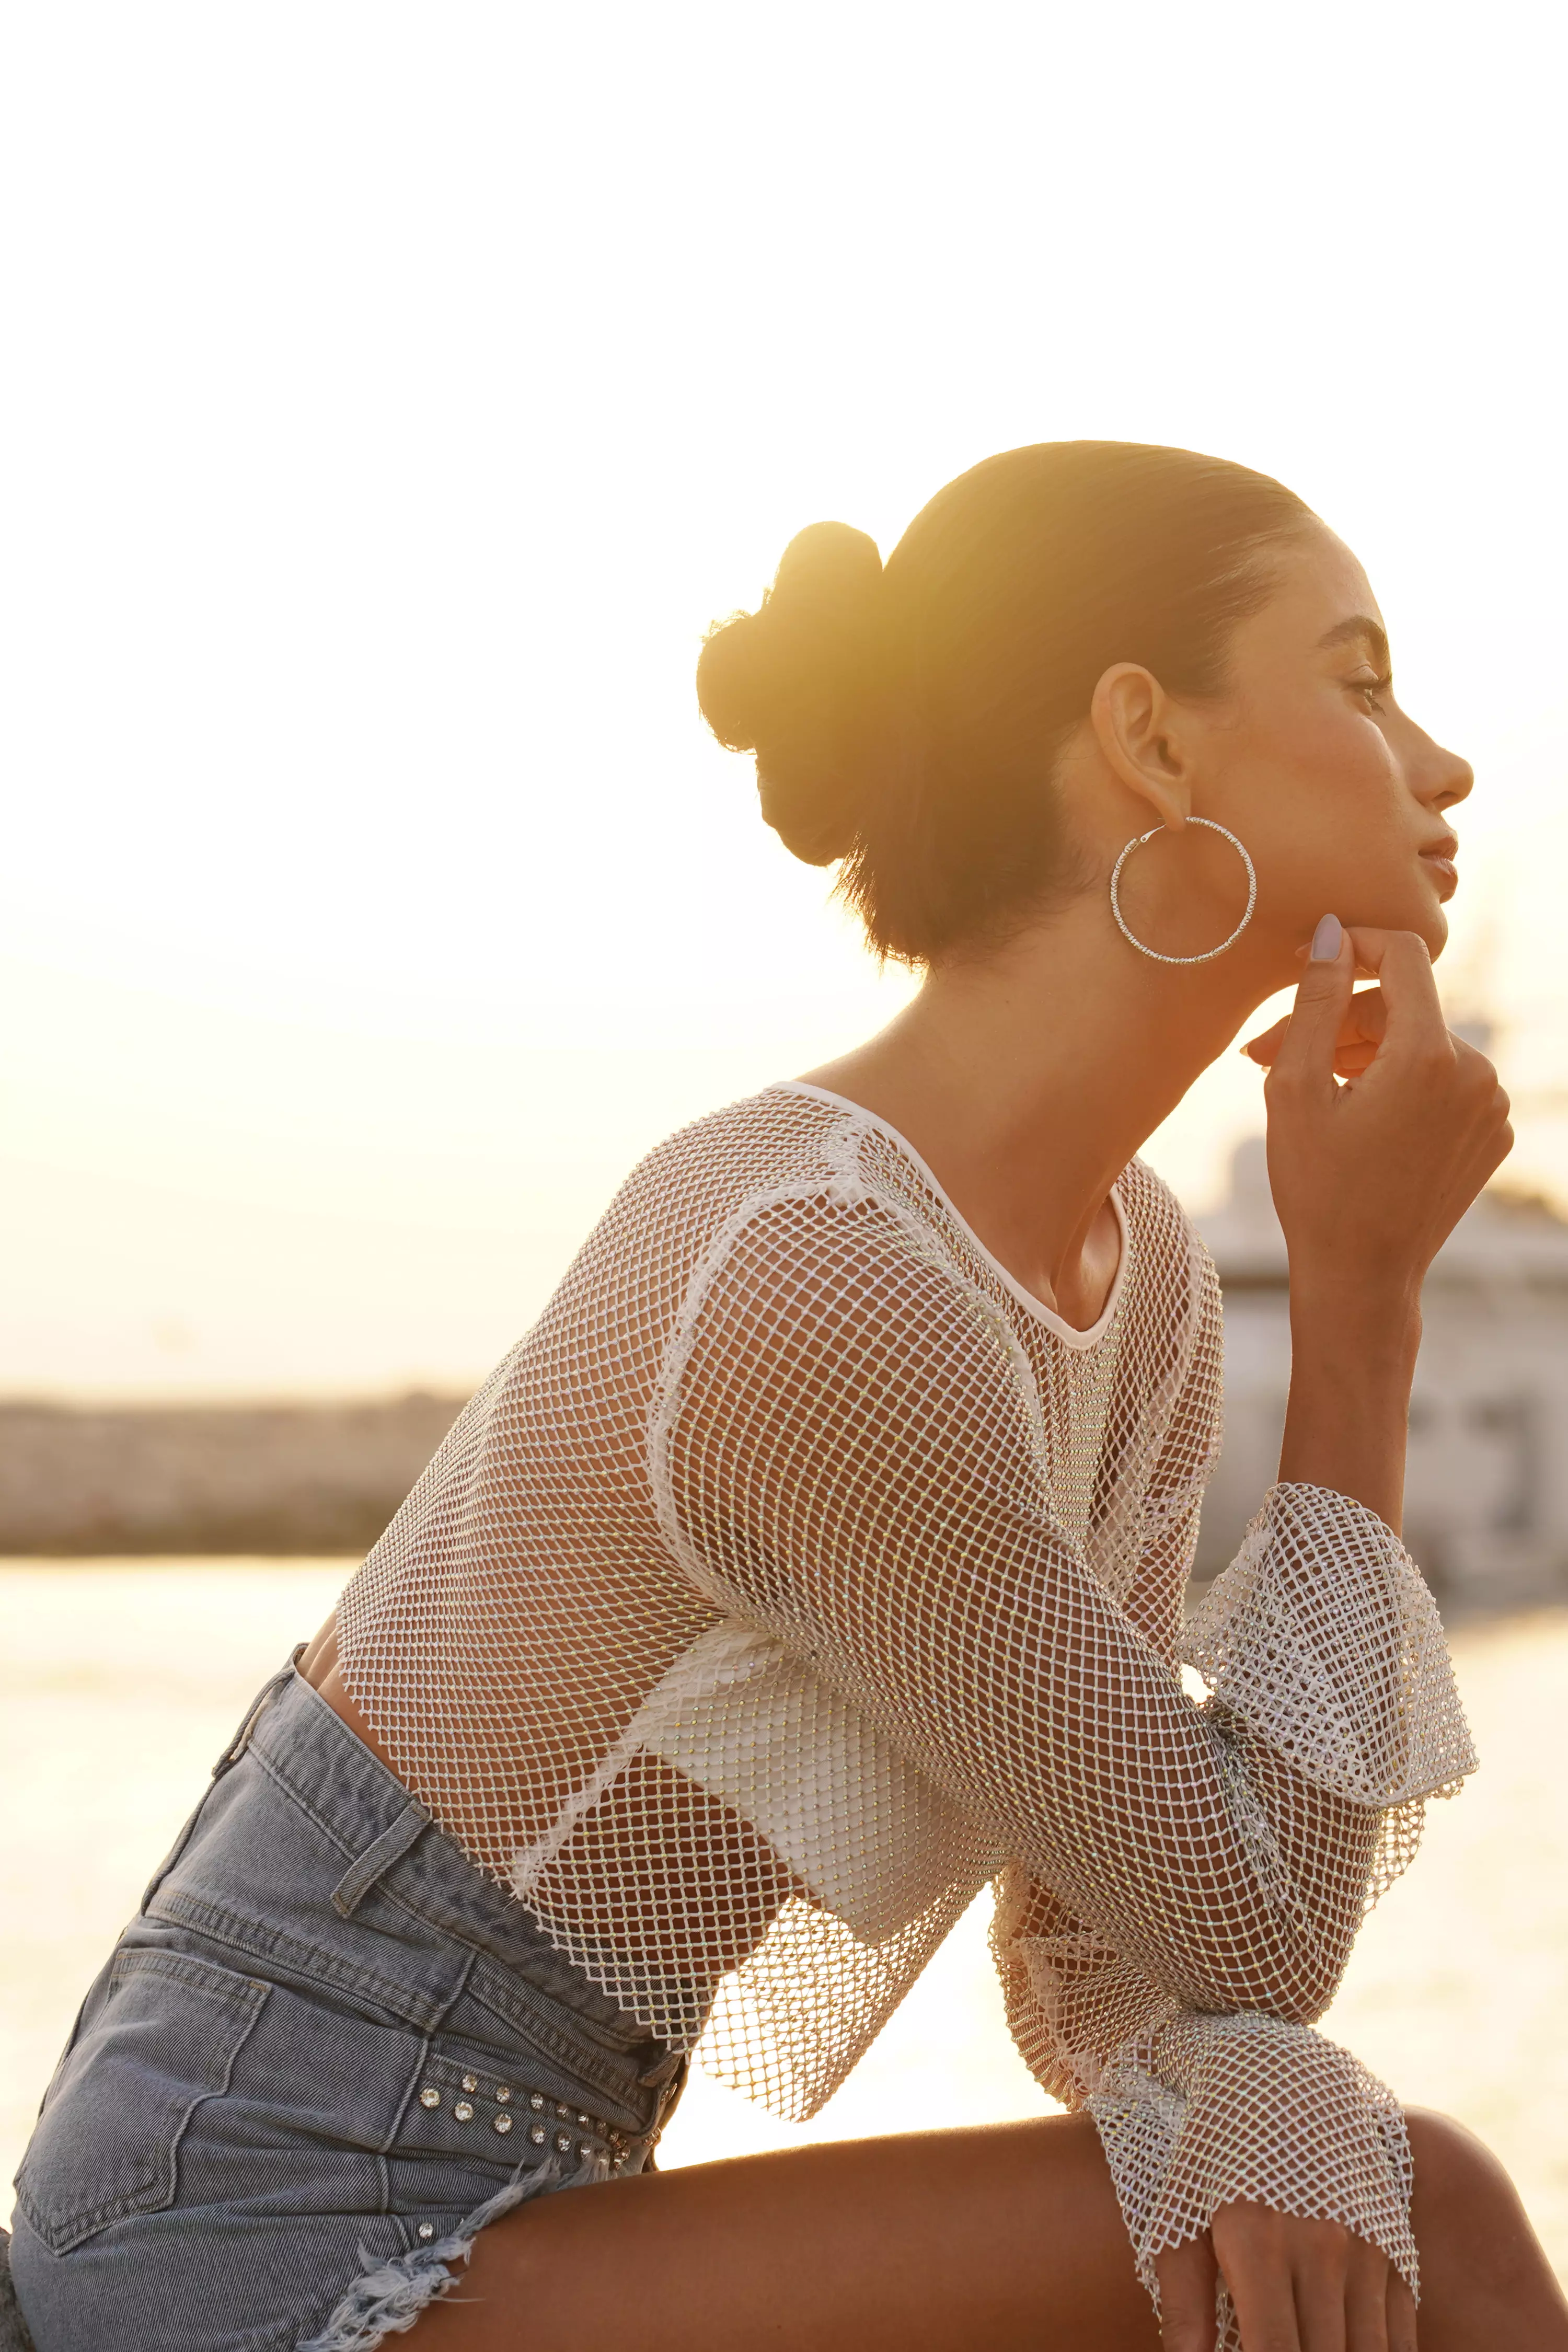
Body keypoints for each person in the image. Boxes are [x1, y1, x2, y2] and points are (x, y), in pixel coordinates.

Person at [8, 441, 1563, 2352]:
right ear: (1151, 744)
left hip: (547, 2186)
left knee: (1344, 2216)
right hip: (250, 2215)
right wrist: (1366, 1300)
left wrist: (1260, 2091)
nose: (1443, 760)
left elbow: (1116, 1942)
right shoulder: (816, 1268)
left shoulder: (1140, 1282)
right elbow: (1251, 1929)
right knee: (1450, 2229)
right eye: (1361, 676)